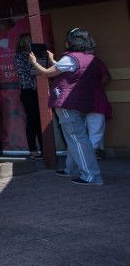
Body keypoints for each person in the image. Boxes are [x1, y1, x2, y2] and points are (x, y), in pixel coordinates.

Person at [28, 27, 103, 185]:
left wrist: (34, 62)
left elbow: (48, 73)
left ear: (72, 41)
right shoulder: (90, 58)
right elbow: (68, 69)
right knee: (75, 138)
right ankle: (71, 169)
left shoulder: (70, 58)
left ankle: (91, 175)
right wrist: (54, 59)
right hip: (82, 102)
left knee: (77, 139)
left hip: (67, 103)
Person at [14, 33, 43, 158]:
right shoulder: (20, 57)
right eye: (28, 41)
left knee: (41, 121)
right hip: (29, 91)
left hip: (39, 91)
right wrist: (35, 64)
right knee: (32, 120)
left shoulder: (36, 55)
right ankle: (33, 149)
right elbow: (27, 75)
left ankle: (44, 147)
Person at [87, 56, 112, 159]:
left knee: (93, 130)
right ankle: (94, 153)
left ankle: (93, 153)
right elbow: (106, 77)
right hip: (95, 100)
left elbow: (106, 77)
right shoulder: (95, 60)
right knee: (96, 129)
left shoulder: (72, 60)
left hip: (85, 101)